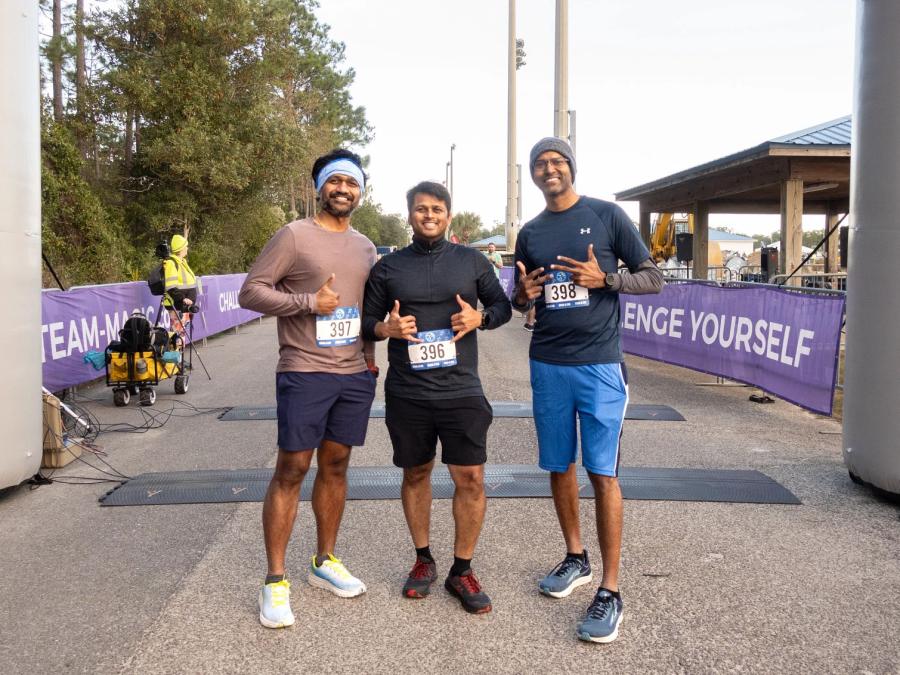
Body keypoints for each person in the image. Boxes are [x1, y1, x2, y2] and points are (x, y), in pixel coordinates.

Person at [513, 137, 664, 643]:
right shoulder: (530, 231)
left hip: (599, 365)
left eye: (556, 162)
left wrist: (608, 280)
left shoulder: (606, 215)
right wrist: (522, 295)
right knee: (558, 467)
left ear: (571, 168)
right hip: (547, 364)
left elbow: (654, 278)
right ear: (533, 174)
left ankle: (611, 590)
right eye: (540, 163)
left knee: (603, 474)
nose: (548, 169)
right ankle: (575, 557)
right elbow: (521, 298)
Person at [238, 149, 378, 629]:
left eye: (352, 183)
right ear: (320, 187)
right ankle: (275, 581)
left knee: (336, 465)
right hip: (304, 369)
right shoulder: (294, 235)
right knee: (293, 468)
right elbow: (251, 291)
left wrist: (371, 359)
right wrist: (306, 302)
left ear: (361, 191)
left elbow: (364, 309)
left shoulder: (365, 246)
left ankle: (324, 561)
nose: (343, 189)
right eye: (335, 181)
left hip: (353, 372)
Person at [362, 181, 511, 614]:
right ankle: (424, 559)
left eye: (437, 209)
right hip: (408, 392)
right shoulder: (388, 268)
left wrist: (479, 317)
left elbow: (503, 309)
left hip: (461, 389)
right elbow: (367, 320)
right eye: (421, 209)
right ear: (409, 215)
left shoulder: (472, 261)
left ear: (449, 215)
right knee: (416, 474)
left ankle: (461, 569)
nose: (429, 216)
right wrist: (384, 330)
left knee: (471, 479)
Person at [163, 234, 201, 339]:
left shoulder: (182, 262)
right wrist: (183, 299)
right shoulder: (172, 263)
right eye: (186, 246)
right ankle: (175, 355)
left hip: (183, 307)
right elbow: (171, 287)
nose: (187, 248)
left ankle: (178, 354)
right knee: (177, 337)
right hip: (177, 306)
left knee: (181, 336)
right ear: (180, 249)